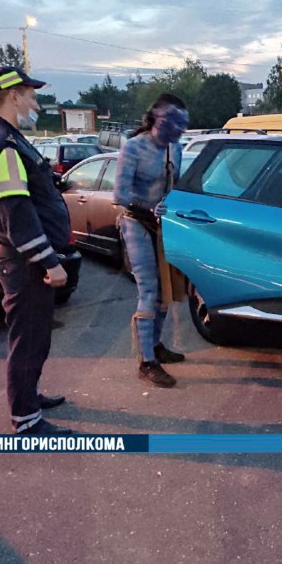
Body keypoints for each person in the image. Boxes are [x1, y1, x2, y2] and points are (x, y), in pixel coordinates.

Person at [0, 66, 72, 434]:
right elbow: (16, 209)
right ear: (13, 96)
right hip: (22, 260)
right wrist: (47, 260)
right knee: (27, 337)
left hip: (23, 258)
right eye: (31, 95)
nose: (35, 102)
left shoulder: (8, 138)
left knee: (36, 335)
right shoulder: (1, 142)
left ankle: (29, 394)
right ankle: (26, 418)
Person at [114, 93, 189, 388]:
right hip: (136, 223)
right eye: (174, 121)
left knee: (164, 292)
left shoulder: (176, 148)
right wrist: (149, 208)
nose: (179, 129)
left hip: (162, 226)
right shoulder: (133, 148)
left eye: (183, 124)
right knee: (148, 291)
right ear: (157, 119)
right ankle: (146, 361)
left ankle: (155, 346)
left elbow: (177, 186)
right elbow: (120, 196)